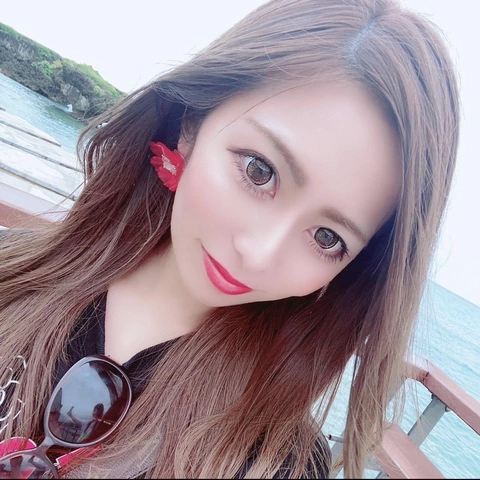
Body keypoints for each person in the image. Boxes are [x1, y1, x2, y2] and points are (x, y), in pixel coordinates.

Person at [0, 0, 459, 477]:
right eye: (260, 172)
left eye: (327, 237)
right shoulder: (12, 271)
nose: (257, 254)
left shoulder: (274, 463)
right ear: (191, 123)